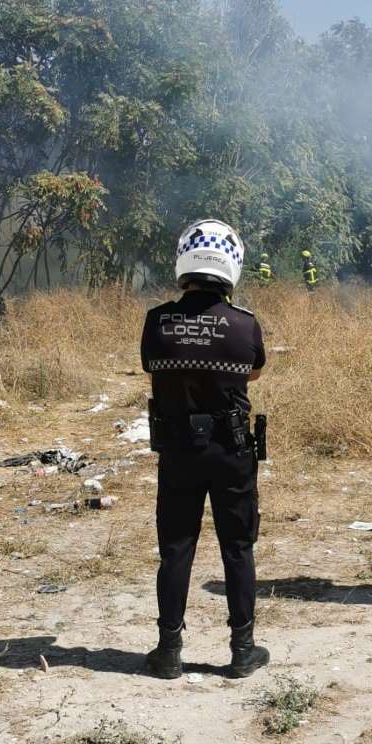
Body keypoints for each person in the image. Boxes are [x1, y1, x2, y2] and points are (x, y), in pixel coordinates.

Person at [140, 218, 270, 680]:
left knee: (176, 549)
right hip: (231, 451)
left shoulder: (157, 322)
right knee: (238, 546)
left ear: (184, 262)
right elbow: (252, 372)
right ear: (231, 265)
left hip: (177, 452)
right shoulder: (244, 325)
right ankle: (242, 650)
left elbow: (153, 368)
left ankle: (169, 650)